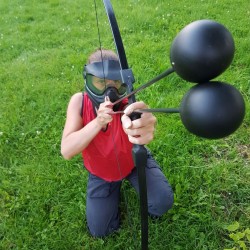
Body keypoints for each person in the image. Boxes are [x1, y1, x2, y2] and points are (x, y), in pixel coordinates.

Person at [61, 49, 174, 237]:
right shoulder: (79, 101)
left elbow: (140, 118)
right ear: (88, 80)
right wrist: (98, 122)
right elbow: (67, 150)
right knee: (101, 231)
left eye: (117, 84)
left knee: (162, 203)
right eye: (101, 83)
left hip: (133, 164)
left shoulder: (128, 101)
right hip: (100, 173)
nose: (110, 93)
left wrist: (142, 125)